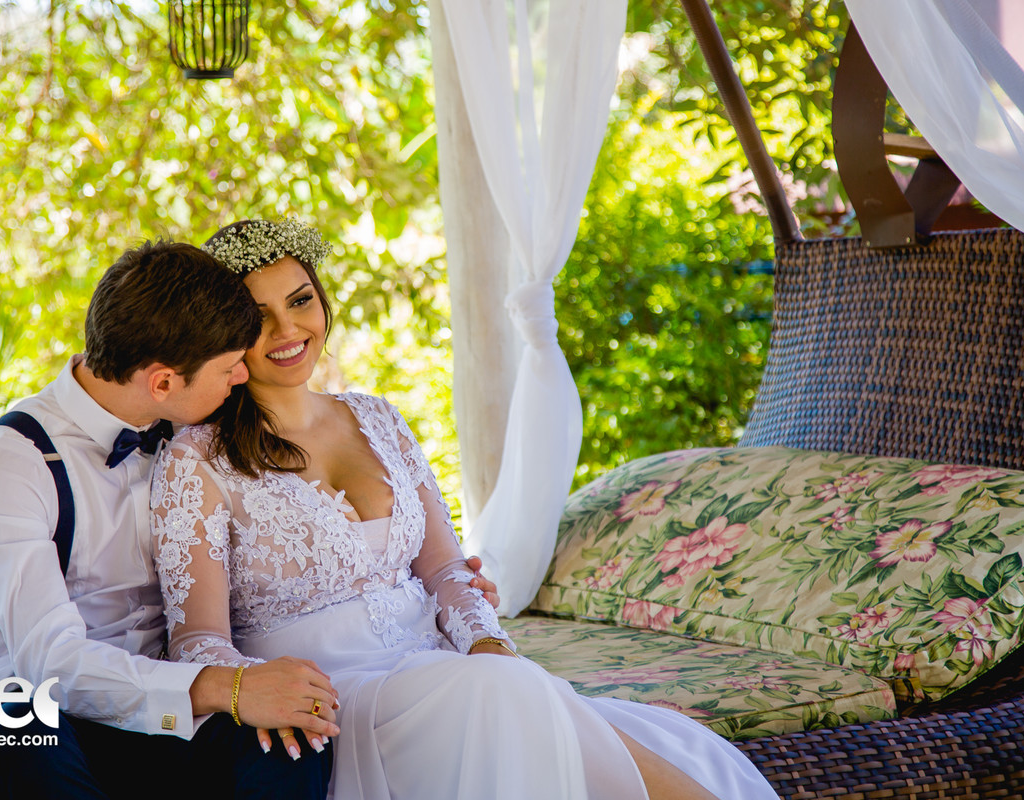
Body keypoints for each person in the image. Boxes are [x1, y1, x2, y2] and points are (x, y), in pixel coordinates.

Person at [151, 219, 779, 799]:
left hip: (444, 666)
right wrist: (259, 695)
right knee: (516, 706)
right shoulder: (197, 459)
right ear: (223, 333)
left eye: (300, 300)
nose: (289, 331)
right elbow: (197, 641)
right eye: (258, 317)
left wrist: (487, 643)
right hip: (337, 697)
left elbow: (448, 572)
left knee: (583, 716)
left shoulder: (377, 419)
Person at [0, 240, 341, 799]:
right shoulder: (12, 462)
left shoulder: (198, 431)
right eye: (230, 368)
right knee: (23, 730)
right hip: (60, 713)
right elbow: (51, 660)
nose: (239, 379)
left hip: (176, 712)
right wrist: (226, 688)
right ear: (162, 382)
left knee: (289, 741)